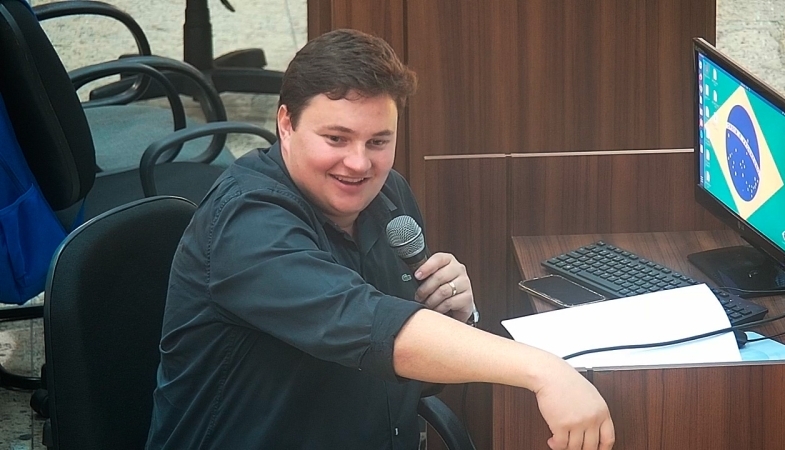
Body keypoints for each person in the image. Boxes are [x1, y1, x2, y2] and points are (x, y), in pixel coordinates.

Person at [146, 28, 615, 450]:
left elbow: (404, 374)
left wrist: (455, 317)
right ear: (285, 125)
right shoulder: (246, 224)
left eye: (378, 141)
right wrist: (543, 369)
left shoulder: (389, 197)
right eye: (336, 138)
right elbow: (367, 325)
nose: (359, 164)